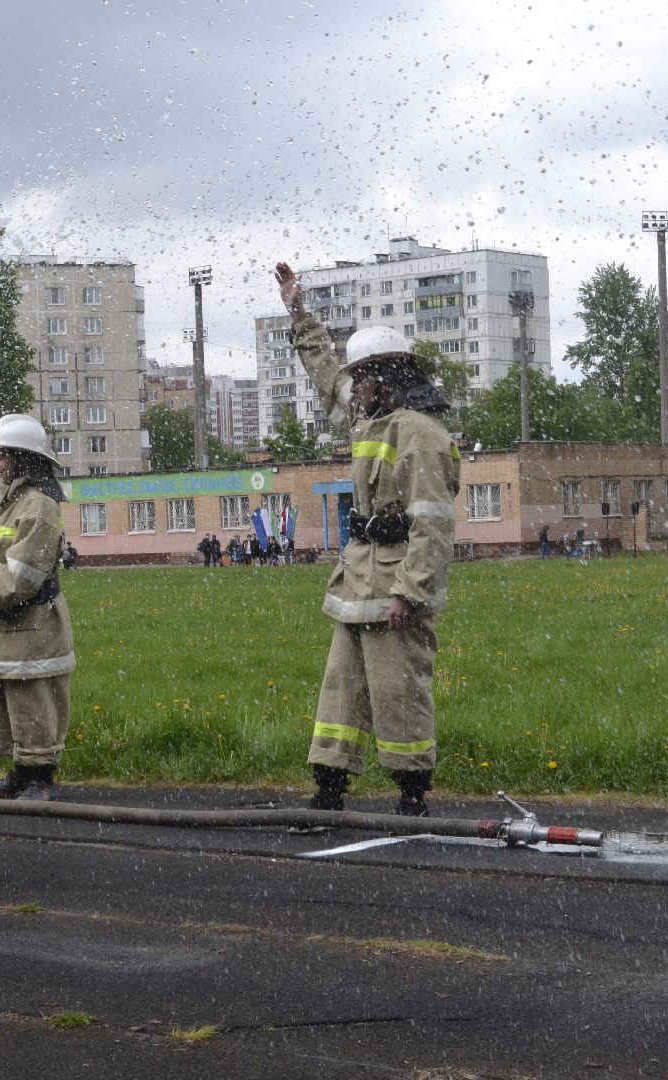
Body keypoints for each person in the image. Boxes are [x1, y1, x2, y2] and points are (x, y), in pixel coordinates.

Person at [276, 261, 460, 820]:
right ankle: (329, 791)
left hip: (396, 582)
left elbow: (431, 526)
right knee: (341, 692)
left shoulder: (421, 436)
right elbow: (326, 376)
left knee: (397, 692)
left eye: (364, 378)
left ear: (388, 378)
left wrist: (411, 591)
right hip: (358, 577)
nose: (354, 388)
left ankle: (412, 797)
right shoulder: (368, 421)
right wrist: (298, 313)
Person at [0, 414, 75, 802]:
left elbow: (23, 577)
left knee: (33, 700)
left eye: (3, 455)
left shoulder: (40, 508)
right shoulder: (3, 504)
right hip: (5, 624)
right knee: (10, 700)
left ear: (24, 459)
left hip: (34, 626)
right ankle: (22, 775)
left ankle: (40, 779)